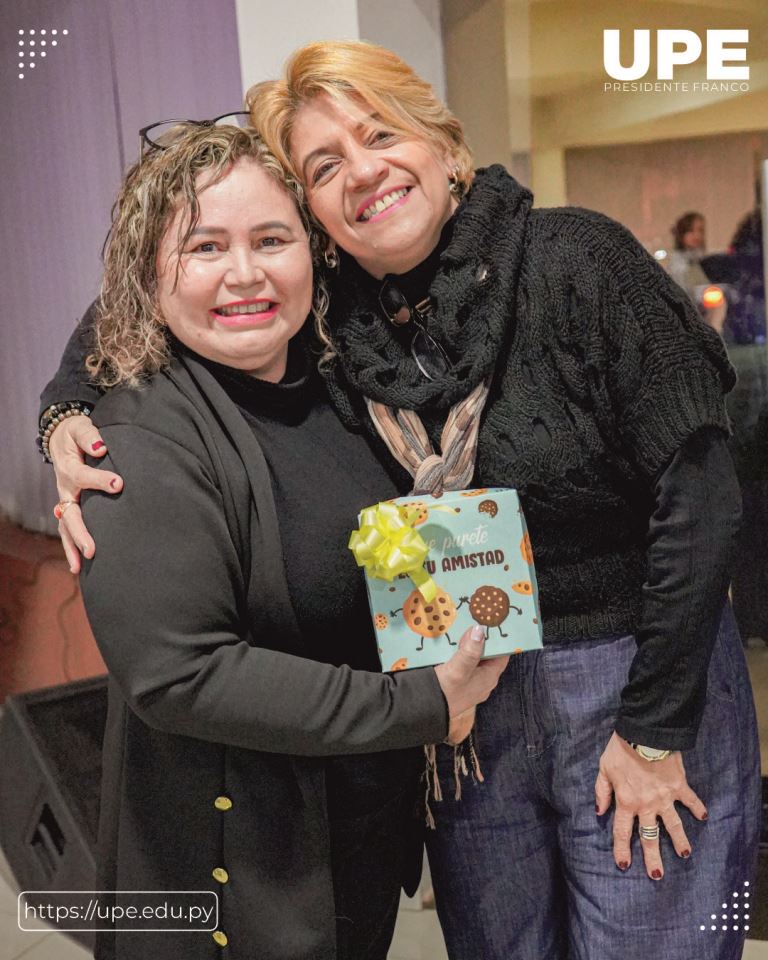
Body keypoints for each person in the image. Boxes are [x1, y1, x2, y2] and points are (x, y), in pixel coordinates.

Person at [40, 42, 761, 960]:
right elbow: (150, 287)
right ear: (318, 215)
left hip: (628, 680)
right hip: (466, 707)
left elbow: (702, 505)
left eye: (380, 134)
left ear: (444, 144)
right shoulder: (341, 308)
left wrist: (656, 732)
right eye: (325, 166)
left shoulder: (574, 259)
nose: (364, 171)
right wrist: (64, 415)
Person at [39, 121, 508, 960]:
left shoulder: (344, 383)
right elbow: (181, 674)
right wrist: (428, 705)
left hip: (348, 853)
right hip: (232, 886)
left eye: (271, 239)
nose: (245, 273)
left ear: (315, 256)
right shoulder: (136, 440)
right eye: (205, 246)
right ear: (149, 276)